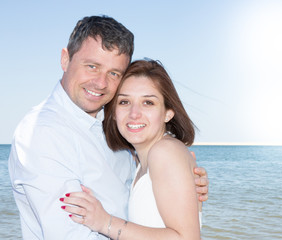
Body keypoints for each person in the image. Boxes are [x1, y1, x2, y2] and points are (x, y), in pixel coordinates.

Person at [8, 15, 208, 239]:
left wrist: (181, 186)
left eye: (114, 73)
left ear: (168, 112)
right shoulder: (43, 134)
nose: (101, 83)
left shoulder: (119, 132)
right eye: (92, 66)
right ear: (65, 59)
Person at [61, 59, 202, 239]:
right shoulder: (143, 159)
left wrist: (105, 222)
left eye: (148, 103)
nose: (134, 113)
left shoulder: (165, 152)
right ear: (113, 113)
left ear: (168, 113)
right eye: (124, 102)